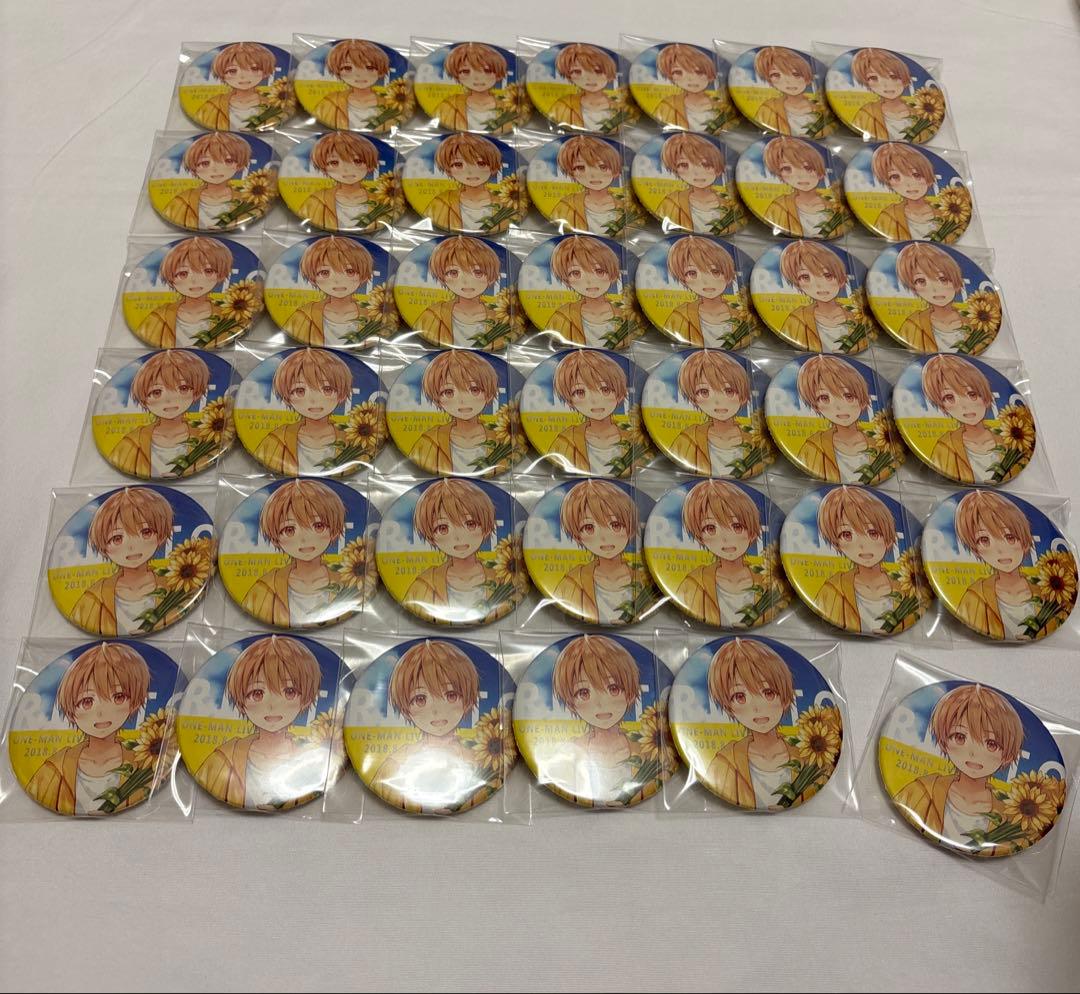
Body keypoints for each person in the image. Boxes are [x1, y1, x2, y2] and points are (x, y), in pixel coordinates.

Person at [195, 635, 324, 810]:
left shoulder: (312, 759)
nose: (272, 705)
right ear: (241, 701)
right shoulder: (223, 759)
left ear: (306, 699)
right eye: (257, 693)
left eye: (289, 692)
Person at [26, 642, 151, 815]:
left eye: (118, 697)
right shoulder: (54, 769)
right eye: (87, 701)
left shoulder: (144, 764)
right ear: (71, 710)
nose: (101, 712)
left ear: (134, 703)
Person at [895, 683, 1024, 850]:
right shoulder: (920, 791)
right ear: (944, 741)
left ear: (1008, 754)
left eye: (991, 744)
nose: (973, 753)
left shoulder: (1011, 816)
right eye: (960, 737)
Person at [704, 638, 805, 809]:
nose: (757, 707)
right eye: (740, 696)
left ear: (785, 697)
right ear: (729, 707)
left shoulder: (806, 757)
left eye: (768, 692)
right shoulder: (725, 762)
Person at [240, 480, 348, 628]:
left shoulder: (347, 582)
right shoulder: (264, 588)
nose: (304, 539)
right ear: (276, 538)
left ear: (334, 530)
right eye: (289, 530)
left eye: (318, 526)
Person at [70, 488, 175, 637]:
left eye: (145, 532)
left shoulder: (174, 587)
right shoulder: (94, 596)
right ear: (104, 547)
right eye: (117, 538)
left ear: (160, 536)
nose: (132, 546)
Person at [111, 350, 212, 478]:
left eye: (183, 388)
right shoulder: (132, 442)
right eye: (157, 392)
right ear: (143, 399)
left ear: (196, 392)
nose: (169, 400)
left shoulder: (206, 438)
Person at [676, 480, 762, 627]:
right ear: (700, 537)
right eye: (710, 528)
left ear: (752, 531)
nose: (725, 539)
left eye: (737, 526)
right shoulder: (693, 584)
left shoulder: (766, 581)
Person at [253, 348, 352, 476]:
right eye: (300, 391)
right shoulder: (276, 440)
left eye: (327, 389)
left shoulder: (352, 439)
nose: (314, 400)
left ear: (341, 394)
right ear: (287, 397)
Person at [553, 480, 639, 625]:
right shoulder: (572, 582)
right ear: (578, 535)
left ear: (630, 527)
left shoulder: (643, 580)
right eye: (589, 528)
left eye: (615, 525)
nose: (604, 537)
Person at [410, 350, 500, 475]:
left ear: (489, 394)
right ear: (437, 399)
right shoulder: (429, 441)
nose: (462, 400)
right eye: (448, 392)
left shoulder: (501, 439)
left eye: (474, 389)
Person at [136, 236, 233, 348]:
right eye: (183, 273)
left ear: (220, 274)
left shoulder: (229, 316)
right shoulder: (158, 317)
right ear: (171, 278)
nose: (195, 280)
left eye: (208, 271)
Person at [284, 236, 374, 346]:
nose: (338, 280)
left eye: (350, 271)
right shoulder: (303, 316)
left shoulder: (372, 316)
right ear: (313, 279)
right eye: (325, 273)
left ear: (364, 276)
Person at [162, 132, 252, 230]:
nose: (216, 169)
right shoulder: (182, 201)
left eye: (228, 161)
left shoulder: (247, 200)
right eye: (205, 163)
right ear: (194, 168)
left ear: (239, 164)